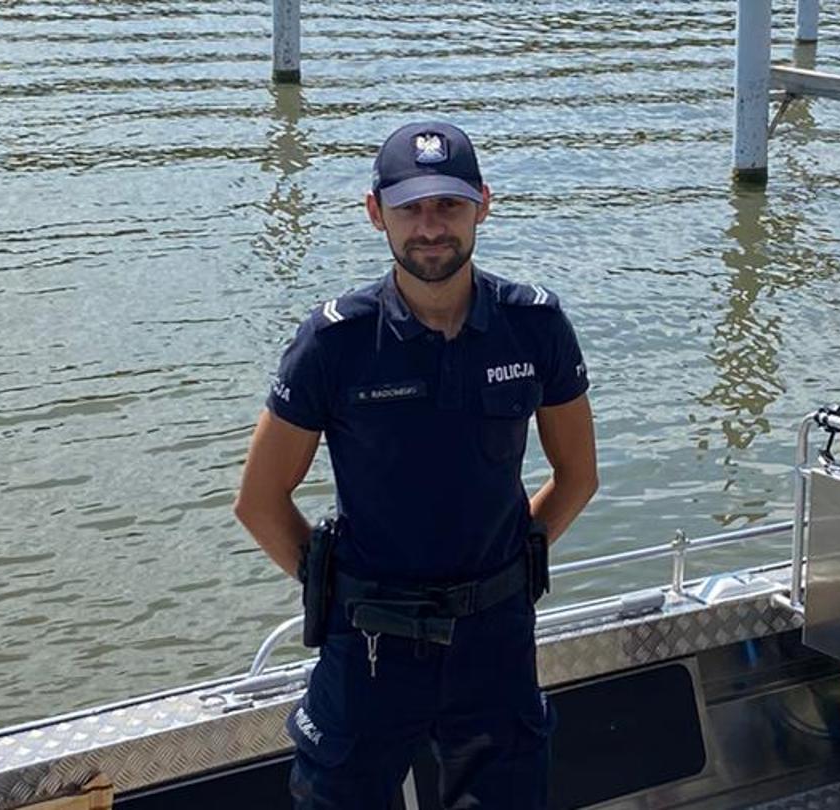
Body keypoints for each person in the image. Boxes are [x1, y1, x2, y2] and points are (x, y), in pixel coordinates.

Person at [233, 120, 599, 809]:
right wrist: (334, 592)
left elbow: (577, 475)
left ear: (483, 205)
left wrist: (515, 568)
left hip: (496, 642)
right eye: (410, 208)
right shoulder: (333, 342)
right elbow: (259, 500)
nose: (430, 227)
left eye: (449, 205)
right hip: (369, 643)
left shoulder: (536, 324)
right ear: (376, 214)